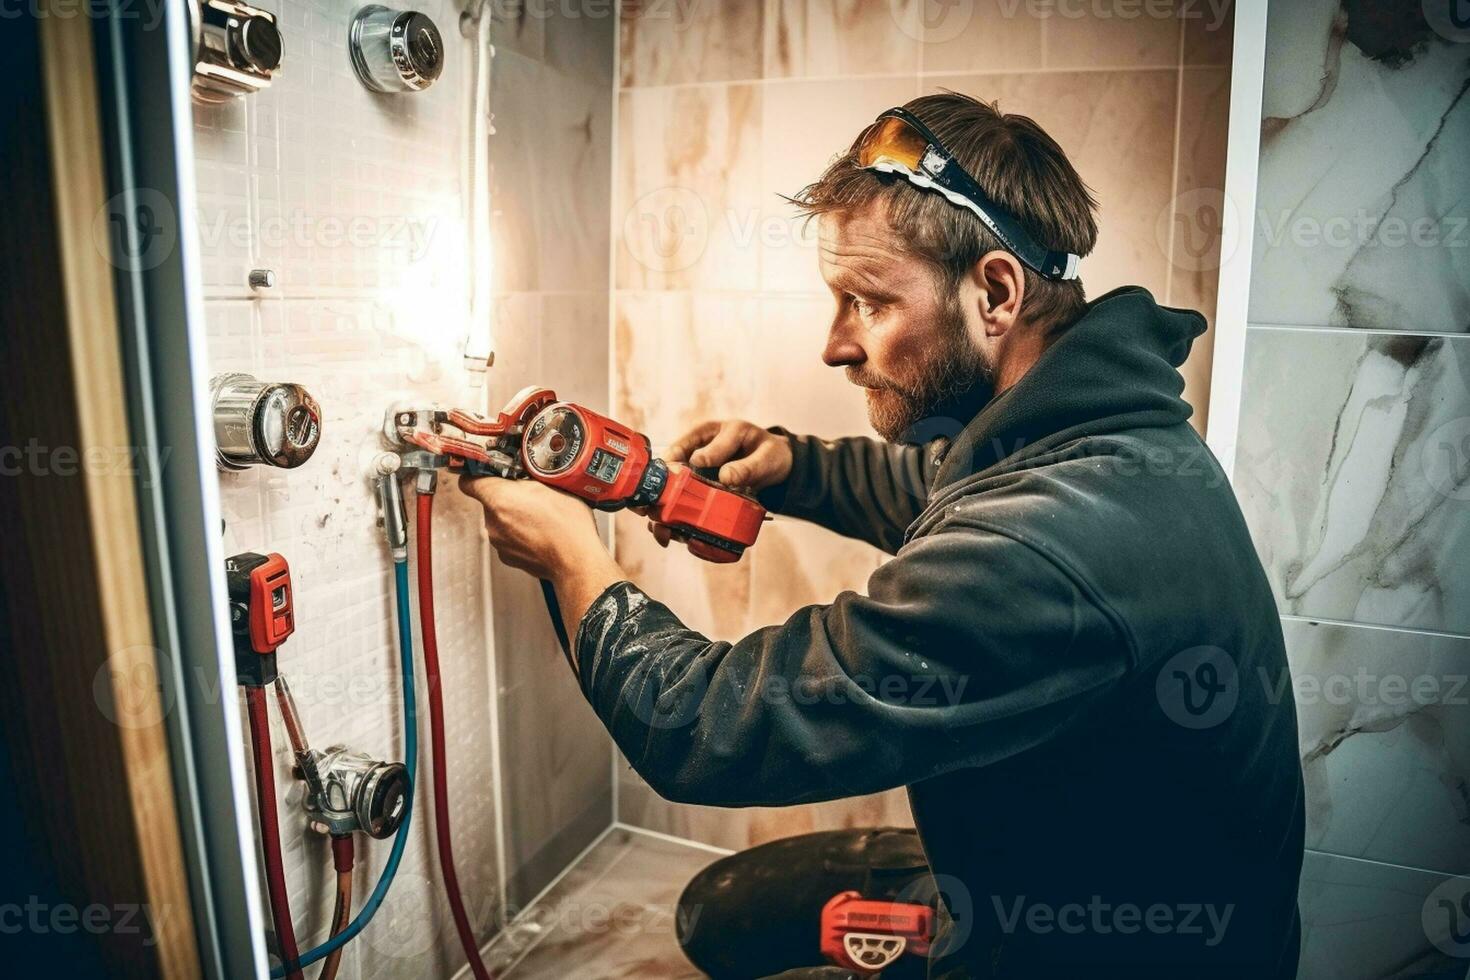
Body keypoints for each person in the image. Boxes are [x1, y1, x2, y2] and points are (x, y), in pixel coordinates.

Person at [461, 92, 1305, 979]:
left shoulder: (1053, 543)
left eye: (866, 301)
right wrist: (790, 465)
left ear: (994, 292)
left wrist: (569, 555)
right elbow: (939, 488)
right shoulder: (1089, 433)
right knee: (728, 913)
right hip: (1068, 867)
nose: (835, 345)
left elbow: (707, 727)